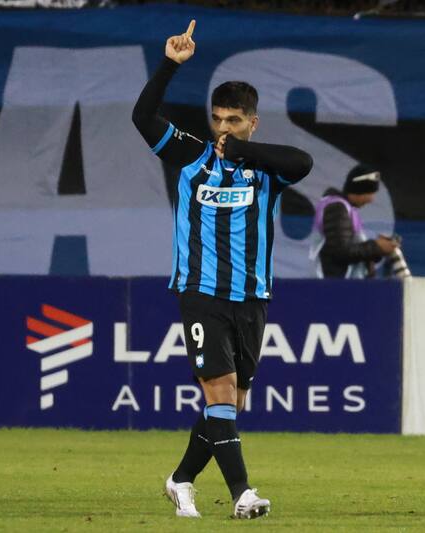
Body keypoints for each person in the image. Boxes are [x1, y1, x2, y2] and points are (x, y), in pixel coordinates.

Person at [131, 20, 313, 520]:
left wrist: (244, 151)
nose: (222, 128)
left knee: (232, 405)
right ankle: (242, 494)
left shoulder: (264, 168)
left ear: (253, 122)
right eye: (217, 119)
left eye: (233, 120)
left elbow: (303, 162)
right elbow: (142, 116)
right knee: (219, 394)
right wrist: (170, 63)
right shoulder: (191, 156)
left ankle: (181, 479)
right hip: (200, 291)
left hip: (252, 295)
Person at [310, 164, 399, 278]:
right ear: (360, 190)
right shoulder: (337, 208)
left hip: (342, 283)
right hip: (333, 285)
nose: (371, 199)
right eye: (370, 193)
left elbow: (351, 247)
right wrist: (375, 247)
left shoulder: (347, 208)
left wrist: (378, 250)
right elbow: (340, 252)